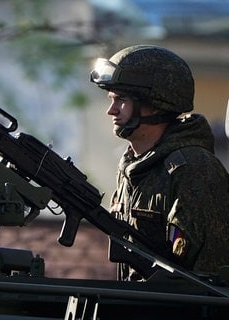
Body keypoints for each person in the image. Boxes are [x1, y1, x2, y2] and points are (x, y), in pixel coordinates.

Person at [90, 44, 229, 281]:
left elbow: (209, 280)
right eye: (111, 99)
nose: (111, 111)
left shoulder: (193, 169)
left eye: (121, 100)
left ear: (155, 103)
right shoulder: (133, 167)